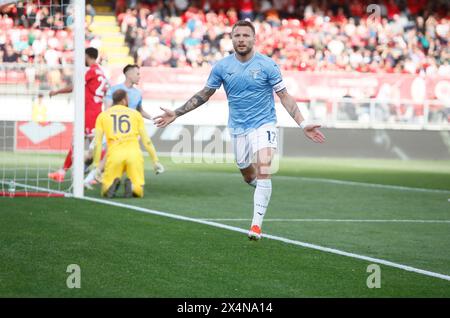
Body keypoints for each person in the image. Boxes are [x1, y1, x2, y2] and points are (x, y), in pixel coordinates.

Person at [154, 20, 325, 241]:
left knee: (264, 167)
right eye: (237, 36)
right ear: (232, 39)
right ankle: (260, 188)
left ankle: (256, 225)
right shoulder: (222, 67)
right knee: (247, 174)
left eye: (246, 36)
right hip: (238, 128)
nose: (241, 39)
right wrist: (176, 113)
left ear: (254, 39)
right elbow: (204, 94)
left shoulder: (267, 65)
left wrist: (303, 123)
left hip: (264, 124)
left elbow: (284, 96)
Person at [84, 64, 153, 188]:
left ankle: (89, 179)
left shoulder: (138, 93)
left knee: (110, 154)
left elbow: (139, 110)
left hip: (125, 131)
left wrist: (153, 118)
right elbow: (107, 109)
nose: (139, 77)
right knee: (90, 154)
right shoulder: (115, 89)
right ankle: (83, 174)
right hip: (110, 126)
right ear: (128, 74)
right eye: (137, 74)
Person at [47, 47, 108, 182]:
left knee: (93, 145)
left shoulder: (92, 71)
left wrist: (56, 92)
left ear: (89, 56)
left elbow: (74, 86)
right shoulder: (101, 72)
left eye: (84, 56)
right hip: (94, 111)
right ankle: (62, 172)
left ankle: (100, 173)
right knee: (80, 144)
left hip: (90, 113)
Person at [93, 89, 164, 198]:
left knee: (105, 191)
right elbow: (147, 141)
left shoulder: (103, 116)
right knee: (139, 191)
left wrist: (96, 166)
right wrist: (155, 161)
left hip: (115, 154)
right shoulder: (135, 114)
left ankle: (110, 186)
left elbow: (97, 143)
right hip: (134, 154)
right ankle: (132, 187)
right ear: (123, 100)